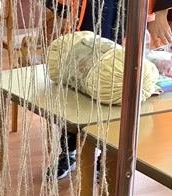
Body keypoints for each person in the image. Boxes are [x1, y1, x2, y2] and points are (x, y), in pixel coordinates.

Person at [46, 0, 171, 180]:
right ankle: (69, 151)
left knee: (121, 88)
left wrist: (161, 9)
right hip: (93, 7)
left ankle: (106, 160)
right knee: (78, 79)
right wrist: (61, 9)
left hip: (132, 8)